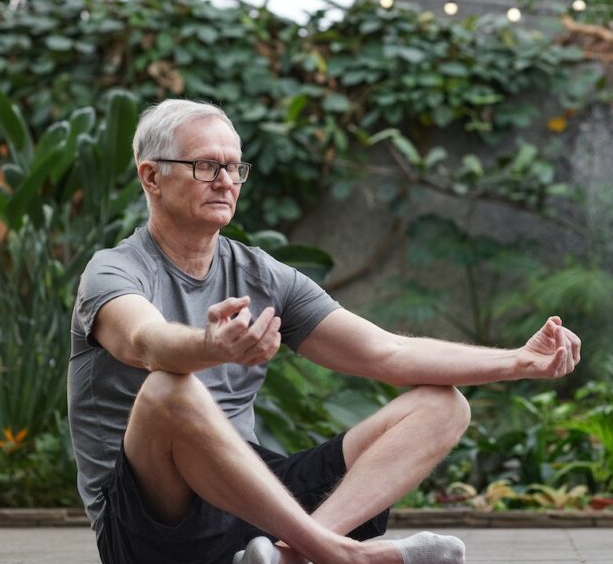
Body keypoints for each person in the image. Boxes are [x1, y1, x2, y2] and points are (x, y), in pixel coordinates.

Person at [68, 99, 582, 564]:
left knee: (443, 406)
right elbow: (145, 343)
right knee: (168, 388)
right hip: (151, 524)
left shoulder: (261, 274)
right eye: (206, 165)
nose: (225, 180)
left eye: (233, 166)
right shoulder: (114, 271)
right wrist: (208, 346)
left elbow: (388, 353)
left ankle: (291, 555)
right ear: (152, 177)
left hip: (253, 510)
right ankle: (340, 556)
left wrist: (518, 361)